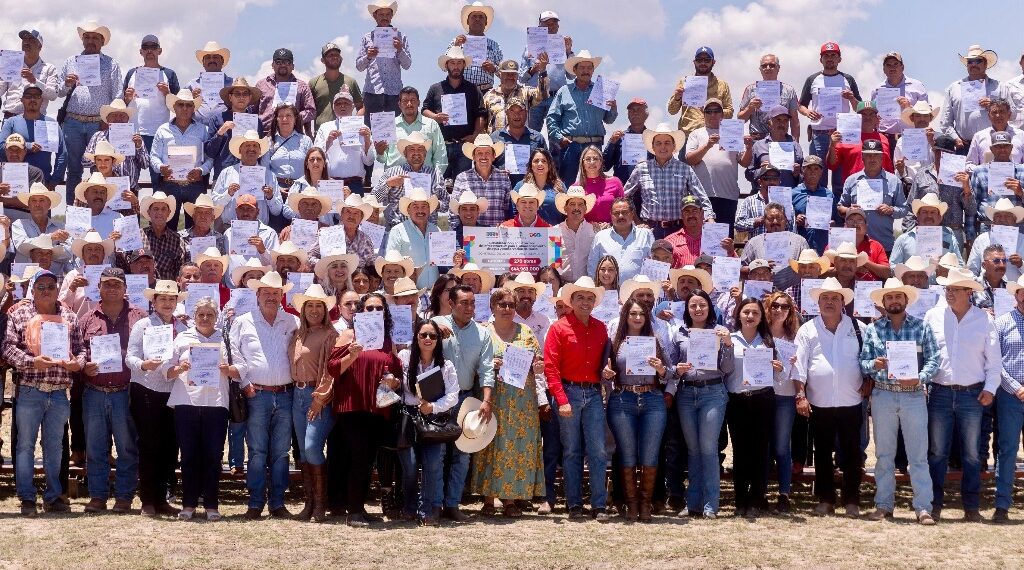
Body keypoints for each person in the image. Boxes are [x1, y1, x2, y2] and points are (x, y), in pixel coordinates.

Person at [3, 270, 85, 516]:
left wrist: (76, 364)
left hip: (59, 392)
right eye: (41, 286)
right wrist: (31, 362)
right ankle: (27, 498)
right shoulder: (18, 313)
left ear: (57, 289)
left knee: (55, 448)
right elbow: (7, 348)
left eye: (51, 286)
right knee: (25, 446)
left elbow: (81, 350)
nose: (46, 290)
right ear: (32, 289)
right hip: (30, 389)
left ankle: (53, 496)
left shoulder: (69, 315)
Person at [860, 278, 940, 525]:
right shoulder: (873, 329)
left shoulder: (921, 326)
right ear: (883, 303)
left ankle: (923, 507)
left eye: (898, 297)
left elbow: (934, 359)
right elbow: (862, 362)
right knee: (884, 455)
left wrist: (919, 378)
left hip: (913, 395)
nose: (894, 301)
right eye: (889, 298)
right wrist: (875, 365)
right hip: (883, 393)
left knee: (918, 455)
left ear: (906, 300)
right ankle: (884, 505)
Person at [924, 267, 999, 522]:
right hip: (939, 391)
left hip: (973, 393)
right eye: (947, 289)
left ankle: (971, 506)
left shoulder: (985, 320)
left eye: (954, 289)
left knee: (971, 453)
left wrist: (990, 388)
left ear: (969, 292)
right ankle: (933, 504)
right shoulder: (932, 316)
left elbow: (994, 360)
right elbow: (924, 353)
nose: (949, 293)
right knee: (936, 452)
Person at [793, 278, 867, 517]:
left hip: (852, 401)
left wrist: (870, 382)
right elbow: (799, 366)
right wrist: (801, 394)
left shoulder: (858, 328)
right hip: (819, 402)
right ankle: (825, 499)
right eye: (825, 298)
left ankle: (852, 500)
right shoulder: (807, 329)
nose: (829, 302)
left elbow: (867, 360)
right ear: (818, 302)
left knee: (852, 453)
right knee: (822, 453)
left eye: (835, 298)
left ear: (843, 302)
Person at [230, 271, 299, 520]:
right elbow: (234, 353)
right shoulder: (243, 321)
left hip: (286, 394)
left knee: (281, 451)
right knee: (257, 451)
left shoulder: (292, 322)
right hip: (255, 393)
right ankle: (256, 502)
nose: (271, 297)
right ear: (257, 294)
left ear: (283, 295)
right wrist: (245, 382)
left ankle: (278, 503)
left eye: (276, 293)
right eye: (266, 292)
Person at [471, 288, 546, 517]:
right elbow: (472, 363)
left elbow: (537, 362)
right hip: (493, 397)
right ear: (492, 307)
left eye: (510, 305)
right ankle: (488, 500)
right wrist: (489, 364)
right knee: (490, 445)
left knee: (515, 448)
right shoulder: (483, 332)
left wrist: (538, 367)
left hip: (521, 402)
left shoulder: (526, 332)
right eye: (502, 305)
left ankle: (511, 500)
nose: (506, 309)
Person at [79, 267, 147, 514]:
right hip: (94, 391)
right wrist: (84, 365)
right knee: (96, 447)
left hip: (125, 391)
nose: (111, 289)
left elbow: (145, 350)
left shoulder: (139, 317)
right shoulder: (87, 318)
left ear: (125, 289)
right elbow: (79, 349)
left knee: (127, 446)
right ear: (99, 288)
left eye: (116, 285)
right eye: (107, 284)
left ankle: (124, 497)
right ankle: (97, 496)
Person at [543, 276, 611, 521]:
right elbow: (551, 368)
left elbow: (605, 363)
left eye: (589, 298)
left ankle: (598, 504)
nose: (585, 301)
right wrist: (561, 399)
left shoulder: (601, 328)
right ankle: (574, 504)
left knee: (598, 451)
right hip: (568, 392)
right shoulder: (558, 328)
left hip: (592, 393)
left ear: (595, 302)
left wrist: (606, 373)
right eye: (580, 297)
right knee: (571, 451)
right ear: (571, 301)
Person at [165, 296, 234, 521]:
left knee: (213, 456)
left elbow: (242, 367)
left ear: (217, 317)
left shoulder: (225, 339)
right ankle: (188, 505)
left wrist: (228, 368)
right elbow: (166, 368)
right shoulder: (182, 338)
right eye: (201, 314)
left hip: (216, 403)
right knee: (189, 456)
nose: (205, 318)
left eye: (210, 314)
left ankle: (212, 505)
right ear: (194, 317)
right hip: (187, 401)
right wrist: (179, 368)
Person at [431, 285, 495, 521]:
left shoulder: (482, 333)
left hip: (466, 400)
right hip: (439, 398)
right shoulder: (436, 323)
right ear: (451, 303)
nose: (469, 308)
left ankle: (453, 504)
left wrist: (486, 400)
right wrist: (435, 329)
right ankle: (435, 503)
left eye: (472, 303)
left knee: (462, 455)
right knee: (437, 454)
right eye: (464, 303)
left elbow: (487, 369)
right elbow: (420, 333)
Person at [668, 289, 733, 517]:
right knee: (693, 450)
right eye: (693, 305)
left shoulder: (718, 332)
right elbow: (671, 368)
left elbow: (727, 369)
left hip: (712, 392)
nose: (697, 309)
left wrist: (726, 344)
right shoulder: (679, 333)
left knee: (708, 448)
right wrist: (678, 369)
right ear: (687, 309)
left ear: (709, 307)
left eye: (702, 305)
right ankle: (693, 503)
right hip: (686, 394)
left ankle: (710, 505)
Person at [602, 297, 669, 521]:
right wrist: (607, 375)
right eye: (633, 314)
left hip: (652, 399)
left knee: (650, 454)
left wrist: (661, 369)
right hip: (623, 399)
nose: (638, 318)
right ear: (625, 316)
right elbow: (603, 371)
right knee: (628, 453)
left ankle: (646, 502)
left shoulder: (655, 340)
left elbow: (669, 374)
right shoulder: (615, 342)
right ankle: (631, 503)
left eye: (641, 314)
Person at [391, 319, 459, 525]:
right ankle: (410, 506)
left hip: (433, 420)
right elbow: (397, 386)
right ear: (416, 337)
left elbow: (453, 395)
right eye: (423, 335)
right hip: (408, 417)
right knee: (410, 466)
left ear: (438, 340)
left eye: (433, 336)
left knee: (432, 466)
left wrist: (433, 407)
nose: (428, 339)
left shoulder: (446, 365)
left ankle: (428, 509)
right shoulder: (404, 358)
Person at [726, 297, 783, 518]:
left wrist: (779, 368)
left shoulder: (768, 342)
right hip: (737, 400)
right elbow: (724, 370)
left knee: (761, 451)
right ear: (738, 314)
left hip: (763, 399)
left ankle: (757, 499)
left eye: (755, 313)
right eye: (746, 312)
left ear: (761, 318)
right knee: (740, 451)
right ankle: (740, 499)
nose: (750, 316)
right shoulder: (729, 340)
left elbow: (779, 376)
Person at [287, 284, 339, 523]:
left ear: (325, 309)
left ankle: (320, 503)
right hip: (296, 394)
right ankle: (309, 503)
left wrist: (321, 398)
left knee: (311, 446)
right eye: (310, 306)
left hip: (316, 394)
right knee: (304, 452)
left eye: (319, 306)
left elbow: (331, 371)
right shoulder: (298, 334)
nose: (315, 310)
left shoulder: (330, 335)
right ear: (303, 309)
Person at [55, 21, 123, 200]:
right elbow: (59, 91)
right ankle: (73, 212)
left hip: (99, 124)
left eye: (95, 38)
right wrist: (67, 83)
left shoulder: (111, 64)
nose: (90, 41)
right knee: (74, 170)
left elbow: (118, 95)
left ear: (102, 42)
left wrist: (107, 119)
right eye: (87, 37)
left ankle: (99, 212)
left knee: (100, 170)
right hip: (73, 122)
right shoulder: (71, 61)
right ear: (82, 40)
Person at [625, 122, 715, 238]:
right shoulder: (641, 168)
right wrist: (637, 222)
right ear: (653, 147)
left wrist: (710, 218)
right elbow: (624, 196)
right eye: (659, 143)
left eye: (667, 143)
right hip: (648, 230)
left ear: (674, 146)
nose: (663, 147)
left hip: (678, 230)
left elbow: (701, 196)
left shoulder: (685, 169)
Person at [798, 41, 862, 190]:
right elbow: (801, 105)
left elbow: (859, 108)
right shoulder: (812, 79)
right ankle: (821, 212)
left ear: (840, 59)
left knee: (841, 181)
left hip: (842, 135)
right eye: (826, 56)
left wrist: (851, 98)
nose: (830, 58)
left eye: (833, 55)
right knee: (818, 180)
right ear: (821, 60)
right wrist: (808, 112)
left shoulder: (848, 79)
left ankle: (838, 212)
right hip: (819, 134)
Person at [546, 50, 617, 184]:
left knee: (594, 184)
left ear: (593, 70)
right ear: (575, 70)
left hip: (594, 145)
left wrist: (613, 107)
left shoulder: (601, 91)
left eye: (589, 68)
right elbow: (552, 118)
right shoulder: (564, 91)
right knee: (567, 185)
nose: (586, 71)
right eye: (582, 68)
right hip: (570, 146)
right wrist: (559, 138)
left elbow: (609, 119)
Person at [684, 99, 752, 228]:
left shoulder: (733, 131)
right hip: (702, 195)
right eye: (709, 111)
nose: (713, 114)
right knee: (702, 236)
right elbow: (690, 160)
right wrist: (707, 145)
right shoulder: (696, 134)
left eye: (716, 111)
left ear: (722, 114)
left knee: (725, 239)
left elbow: (744, 162)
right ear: (704, 114)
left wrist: (748, 148)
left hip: (728, 195)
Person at [150, 90, 211, 230]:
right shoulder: (162, 130)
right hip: (169, 184)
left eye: (189, 105)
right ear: (174, 107)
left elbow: (210, 158)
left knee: (197, 228)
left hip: (194, 184)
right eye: (181, 104)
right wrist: (161, 168)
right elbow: (153, 156)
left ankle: (193, 252)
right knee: (167, 227)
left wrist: (201, 170)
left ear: (193, 108)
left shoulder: (204, 130)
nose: (185, 108)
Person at [422, 46, 486, 180]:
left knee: (462, 185)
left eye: (459, 63)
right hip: (441, 146)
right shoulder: (435, 88)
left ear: (464, 65)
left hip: (464, 147)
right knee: (438, 184)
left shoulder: (473, 89)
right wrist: (435, 117)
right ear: (446, 65)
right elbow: (424, 110)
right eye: (452, 63)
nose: (456, 66)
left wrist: (475, 135)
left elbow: (480, 114)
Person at [764, 290, 800, 512]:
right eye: (775, 305)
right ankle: (763, 492)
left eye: (784, 306)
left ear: (790, 311)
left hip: (785, 395)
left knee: (781, 446)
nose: (779, 310)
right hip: (762, 395)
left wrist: (797, 361)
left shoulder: (795, 337)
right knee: (765, 446)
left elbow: (802, 370)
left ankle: (784, 493)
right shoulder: (760, 334)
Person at [837, 140, 907, 253]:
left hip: (884, 243)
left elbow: (904, 209)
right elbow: (840, 207)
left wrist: (891, 210)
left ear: (882, 158)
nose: (872, 159)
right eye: (869, 155)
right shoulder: (851, 180)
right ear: (863, 157)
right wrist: (848, 210)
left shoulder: (894, 181)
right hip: (855, 245)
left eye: (876, 155)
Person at [938, 45, 1009, 154]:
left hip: (994, 145)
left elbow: (1012, 114)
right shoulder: (954, 88)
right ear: (967, 65)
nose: (973, 64)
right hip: (963, 146)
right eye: (970, 62)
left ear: (985, 64)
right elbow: (945, 121)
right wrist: (955, 138)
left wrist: (995, 106)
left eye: (978, 61)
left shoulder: (1000, 86)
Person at [994, 274, 1024, 522]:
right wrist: (1016, 387)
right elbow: (995, 362)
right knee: (1008, 450)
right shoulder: (1002, 323)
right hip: (1010, 396)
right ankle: (1002, 505)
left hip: (1014, 395)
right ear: (1017, 295)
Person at [374, 131, 447, 228]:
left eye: (420, 149)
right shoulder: (391, 173)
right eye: (412, 149)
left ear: (425, 153)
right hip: (397, 228)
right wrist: (388, 184)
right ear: (405, 153)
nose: (416, 152)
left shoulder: (435, 174)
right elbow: (373, 199)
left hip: (428, 229)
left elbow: (446, 203)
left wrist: (435, 204)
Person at [122, 34, 178, 159]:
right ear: (141, 51)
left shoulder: (169, 74)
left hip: (159, 131)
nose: (149, 50)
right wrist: (127, 98)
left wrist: (167, 94)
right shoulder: (132, 73)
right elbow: (121, 104)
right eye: (145, 47)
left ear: (160, 51)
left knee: (157, 173)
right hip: (133, 131)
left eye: (153, 47)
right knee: (130, 171)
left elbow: (179, 107)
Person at [211, 130, 281, 228]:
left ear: (260, 151)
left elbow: (277, 211)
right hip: (229, 228)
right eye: (247, 145)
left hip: (259, 230)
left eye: (255, 146)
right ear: (240, 150)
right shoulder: (227, 173)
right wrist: (228, 194)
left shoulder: (269, 176)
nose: (251, 149)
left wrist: (270, 197)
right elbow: (215, 205)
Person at [1, 86, 66, 189]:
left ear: (42, 100)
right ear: (21, 100)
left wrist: (55, 180)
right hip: (15, 181)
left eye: (36, 96)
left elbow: (62, 153)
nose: (32, 99)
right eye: (28, 96)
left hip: (43, 182)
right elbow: (1, 147)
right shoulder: (11, 122)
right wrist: (26, 146)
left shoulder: (51, 123)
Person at [519, 10, 572, 133]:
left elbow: (571, 75)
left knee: (557, 136)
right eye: (546, 24)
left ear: (558, 26)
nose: (550, 26)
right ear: (540, 26)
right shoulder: (529, 48)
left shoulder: (563, 46)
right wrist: (534, 69)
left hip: (556, 97)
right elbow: (521, 78)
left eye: (553, 23)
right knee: (531, 135)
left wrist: (569, 52)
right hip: (534, 97)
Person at [311, 89, 372, 195]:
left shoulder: (363, 128)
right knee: (329, 211)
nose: (342, 106)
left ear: (353, 106)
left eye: (346, 103)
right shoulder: (325, 127)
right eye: (338, 103)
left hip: (355, 183)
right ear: (333, 107)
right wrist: (328, 142)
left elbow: (369, 161)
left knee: (355, 211)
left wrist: (367, 140)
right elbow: (316, 157)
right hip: (330, 183)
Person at [356, 1, 412, 117]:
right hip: (372, 91)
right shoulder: (367, 38)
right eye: (381, 14)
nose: (385, 17)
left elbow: (407, 65)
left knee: (394, 129)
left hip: (394, 92)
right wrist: (368, 56)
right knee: (370, 129)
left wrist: (400, 49)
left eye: (387, 14)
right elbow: (359, 66)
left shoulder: (401, 37)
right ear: (375, 16)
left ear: (392, 16)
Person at [739, 203, 809, 291]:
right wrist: (759, 266)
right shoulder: (754, 242)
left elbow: (810, 268)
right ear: (764, 221)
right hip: (762, 294)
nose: (775, 222)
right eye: (770, 219)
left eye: (779, 218)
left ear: (786, 221)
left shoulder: (800, 241)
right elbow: (740, 270)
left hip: (792, 296)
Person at [667, 46, 733, 137]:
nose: (703, 63)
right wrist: (677, 98)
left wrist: (713, 111)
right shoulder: (684, 82)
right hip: (687, 135)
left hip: (713, 136)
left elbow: (730, 113)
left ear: (713, 62)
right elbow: (671, 111)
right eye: (699, 60)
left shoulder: (722, 85)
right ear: (694, 62)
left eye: (707, 60)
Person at [203, 77, 263, 178]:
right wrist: (220, 133)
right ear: (230, 97)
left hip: (249, 176)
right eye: (237, 94)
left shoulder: (257, 122)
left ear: (249, 97)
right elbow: (209, 152)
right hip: (222, 176)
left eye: (245, 94)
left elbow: (261, 152)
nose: (241, 97)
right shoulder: (217, 119)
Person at [265, 104, 313, 229]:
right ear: (276, 119)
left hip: (300, 191)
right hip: (276, 192)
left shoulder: (306, 141)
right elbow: (265, 170)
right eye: (281, 116)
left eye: (288, 115)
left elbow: (311, 168)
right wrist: (275, 188)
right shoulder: (269, 141)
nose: (285, 119)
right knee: (277, 229)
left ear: (295, 118)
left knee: (298, 231)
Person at [826, 101, 895, 186]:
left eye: (871, 114)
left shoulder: (883, 139)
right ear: (857, 117)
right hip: (854, 188)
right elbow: (831, 165)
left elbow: (888, 168)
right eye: (863, 115)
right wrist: (832, 145)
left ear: (877, 118)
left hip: (880, 188)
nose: (867, 118)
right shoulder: (845, 137)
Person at [890, 194, 964, 271]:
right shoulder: (903, 239)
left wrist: (946, 269)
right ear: (917, 215)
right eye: (924, 212)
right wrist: (910, 272)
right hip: (913, 283)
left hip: (942, 283)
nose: (929, 215)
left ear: (940, 217)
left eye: (933, 212)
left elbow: (960, 266)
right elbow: (892, 267)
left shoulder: (950, 239)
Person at [587, 198, 654, 282]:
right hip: (609, 292)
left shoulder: (645, 235)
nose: (621, 216)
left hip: (637, 292)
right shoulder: (600, 236)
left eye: (625, 212)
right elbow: (592, 267)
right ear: (611, 215)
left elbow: (654, 265)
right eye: (616, 213)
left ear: (632, 213)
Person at [385, 187, 440, 289]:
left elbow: (443, 261)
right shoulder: (397, 231)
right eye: (415, 206)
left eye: (424, 206)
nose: (420, 210)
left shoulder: (436, 230)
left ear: (429, 210)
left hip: (434, 292)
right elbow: (390, 263)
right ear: (408, 210)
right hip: (408, 292)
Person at [450, 134, 510, 227]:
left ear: (494, 156)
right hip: (470, 236)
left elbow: (507, 208)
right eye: (479, 153)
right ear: (473, 156)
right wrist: (458, 234)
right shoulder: (462, 178)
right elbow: (454, 212)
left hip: (497, 236)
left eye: (487, 153)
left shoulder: (503, 178)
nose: (484, 157)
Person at [870, 52, 929, 146]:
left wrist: (909, 107)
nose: (892, 68)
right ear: (884, 69)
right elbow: (872, 114)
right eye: (888, 65)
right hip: (884, 139)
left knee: (910, 161)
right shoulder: (877, 90)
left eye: (895, 64)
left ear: (902, 67)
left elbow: (927, 114)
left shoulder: (917, 86)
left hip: (911, 137)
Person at [737, 54, 800, 141]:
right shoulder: (750, 89)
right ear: (760, 69)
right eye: (764, 66)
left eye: (772, 65)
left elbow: (794, 121)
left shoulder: (789, 90)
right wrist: (749, 108)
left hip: (781, 137)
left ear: (778, 68)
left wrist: (796, 143)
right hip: (757, 138)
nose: (768, 68)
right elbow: (740, 119)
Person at [0, 29, 58, 117]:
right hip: (11, 117)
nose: (26, 42)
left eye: (31, 39)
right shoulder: (11, 64)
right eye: (24, 40)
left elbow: (53, 95)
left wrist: (34, 81)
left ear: (40, 46)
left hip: (37, 119)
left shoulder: (49, 68)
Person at [255, 49, 315, 134]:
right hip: (264, 135)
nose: (283, 65)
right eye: (278, 62)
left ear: (293, 66)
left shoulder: (302, 86)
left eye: (287, 62)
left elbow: (311, 111)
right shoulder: (261, 85)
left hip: (292, 136)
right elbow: (253, 111)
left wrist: (294, 117)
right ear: (272, 65)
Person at [746, 105, 805, 189]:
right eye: (778, 120)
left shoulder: (796, 146)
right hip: (766, 197)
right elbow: (748, 174)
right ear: (769, 123)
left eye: (785, 120)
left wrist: (797, 175)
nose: (782, 124)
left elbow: (805, 177)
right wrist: (761, 171)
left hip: (788, 196)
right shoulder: (758, 146)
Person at [494, 97, 548, 188]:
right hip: (501, 189)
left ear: (526, 113)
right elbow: (485, 167)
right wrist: (496, 172)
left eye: (520, 111)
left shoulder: (538, 138)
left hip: (531, 193)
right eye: (512, 111)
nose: (517, 115)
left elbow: (548, 165)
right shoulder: (494, 138)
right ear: (506, 113)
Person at [449, 2, 503, 92]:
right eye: (474, 16)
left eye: (481, 17)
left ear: (486, 22)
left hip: (485, 92)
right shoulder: (457, 42)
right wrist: (456, 46)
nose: (477, 19)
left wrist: (494, 68)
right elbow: (444, 66)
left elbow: (504, 73)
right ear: (467, 21)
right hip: (461, 90)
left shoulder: (494, 45)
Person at [968, 199, 1024, 282]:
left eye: (1007, 216)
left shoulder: (1023, 240)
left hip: (1015, 291)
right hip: (986, 291)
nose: (1002, 219)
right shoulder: (981, 240)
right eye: (998, 216)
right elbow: (971, 271)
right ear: (993, 221)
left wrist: (1021, 264)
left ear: (1014, 220)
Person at [310, 42, 363, 130]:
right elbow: (309, 110)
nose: (334, 57)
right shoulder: (314, 83)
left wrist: (355, 122)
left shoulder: (351, 81)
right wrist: (308, 133)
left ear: (341, 58)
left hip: (347, 132)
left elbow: (361, 106)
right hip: (322, 134)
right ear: (322, 60)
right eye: (330, 55)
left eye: (337, 55)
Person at [483, 60, 547, 133]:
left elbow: (542, 94)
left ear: (517, 76)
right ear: (500, 75)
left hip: (520, 142)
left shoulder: (526, 93)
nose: (510, 77)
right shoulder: (488, 96)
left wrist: (542, 71)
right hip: (495, 142)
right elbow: (482, 123)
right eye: (507, 74)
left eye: (513, 74)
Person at [603, 98, 652, 186]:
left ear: (646, 114)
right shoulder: (618, 138)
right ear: (628, 115)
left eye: (639, 109)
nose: (635, 112)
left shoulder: (653, 139)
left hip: (646, 192)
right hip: (622, 192)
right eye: (632, 110)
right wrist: (611, 143)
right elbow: (604, 166)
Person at [556, 186, 597, 283]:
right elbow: (553, 264)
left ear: (585, 208)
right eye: (572, 204)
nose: (576, 208)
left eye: (580, 204)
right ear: (565, 208)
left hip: (587, 286)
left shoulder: (594, 231)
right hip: (563, 285)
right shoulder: (555, 232)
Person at [791, 156, 832, 254]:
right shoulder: (793, 193)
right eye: (809, 168)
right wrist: (795, 220)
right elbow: (786, 220)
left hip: (823, 245)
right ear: (802, 171)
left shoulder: (829, 195)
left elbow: (835, 220)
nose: (813, 172)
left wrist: (831, 223)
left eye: (816, 168)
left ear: (821, 172)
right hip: (800, 246)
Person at [186, 41, 234, 125]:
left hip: (225, 130)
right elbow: (180, 107)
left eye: (215, 57)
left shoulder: (232, 84)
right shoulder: (192, 84)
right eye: (208, 57)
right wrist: (191, 100)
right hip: (199, 131)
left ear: (222, 61)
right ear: (203, 63)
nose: (211, 60)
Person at [513, 148, 563, 225]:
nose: (540, 164)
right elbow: (513, 212)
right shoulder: (520, 186)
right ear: (531, 165)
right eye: (536, 161)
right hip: (526, 234)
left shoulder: (559, 186)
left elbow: (566, 212)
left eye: (544, 161)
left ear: (549, 165)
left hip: (554, 234)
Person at [894, 101, 940, 184]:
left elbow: (943, 163)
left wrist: (933, 143)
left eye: (925, 116)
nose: (922, 119)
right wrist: (901, 169)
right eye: (918, 116)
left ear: (930, 118)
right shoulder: (902, 140)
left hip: (933, 185)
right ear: (912, 118)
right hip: (909, 185)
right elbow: (898, 168)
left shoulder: (939, 138)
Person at [575, 145, 623, 224]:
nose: (592, 162)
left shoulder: (615, 182)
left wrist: (610, 224)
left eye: (595, 158)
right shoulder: (576, 187)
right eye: (588, 159)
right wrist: (589, 225)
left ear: (601, 162)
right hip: (585, 232)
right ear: (583, 163)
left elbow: (622, 210)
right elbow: (573, 216)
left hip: (611, 230)